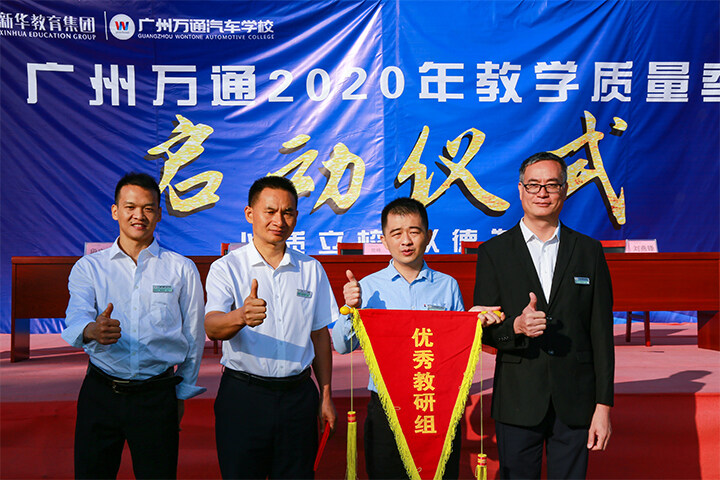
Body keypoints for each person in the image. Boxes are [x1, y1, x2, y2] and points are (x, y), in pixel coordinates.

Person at [332, 197, 503, 479]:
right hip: (387, 405)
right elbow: (342, 345)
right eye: (396, 233)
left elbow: (455, 350)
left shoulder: (447, 286)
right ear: (384, 240)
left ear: (429, 235)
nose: (406, 241)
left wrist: (471, 322)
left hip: (434, 404)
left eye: (414, 231)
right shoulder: (368, 287)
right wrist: (350, 309)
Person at [474, 152, 614, 479]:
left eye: (551, 185)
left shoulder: (588, 251)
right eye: (533, 185)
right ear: (520, 189)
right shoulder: (494, 253)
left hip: (576, 400)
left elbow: (601, 334)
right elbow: (484, 330)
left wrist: (603, 406)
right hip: (518, 399)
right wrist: (516, 326)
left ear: (565, 190)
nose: (542, 193)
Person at [62, 172, 206, 479]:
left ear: (159, 214)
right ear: (115, 211)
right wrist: (92, 330)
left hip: (157, 396)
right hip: (101, 393)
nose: (138, 215)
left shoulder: (181, 268)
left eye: (148, 208)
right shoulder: (89, 267)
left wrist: (182, 393)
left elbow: (193, 336)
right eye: (130, 207)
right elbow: (75, 318)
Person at [204, 176, 337, 479]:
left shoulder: (311, 269)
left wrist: (326, 394)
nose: (279, 220)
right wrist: (241, 316)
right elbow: (212, 326)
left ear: (296, 217)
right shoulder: (227, 268)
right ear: (250, 214)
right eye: (270, 211)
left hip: (298, 398)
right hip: (244, 397)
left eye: (287, 212)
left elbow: (319, 335)